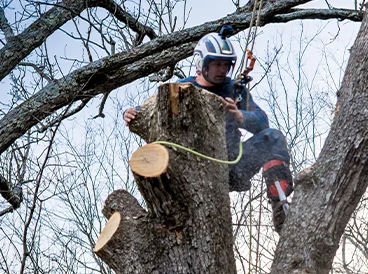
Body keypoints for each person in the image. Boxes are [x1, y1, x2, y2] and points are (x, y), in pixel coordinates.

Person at [123, 30, 293, 234]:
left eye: (226, 64)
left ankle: (280, 208)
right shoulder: (182, 88)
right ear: (202, 63)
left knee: (272, 138)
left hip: (233, 166)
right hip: (197, 169)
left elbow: (262, 121)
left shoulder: (234, 90)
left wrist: (240, 116)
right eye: (217, 64)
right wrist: (131, 113)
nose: (222, 70)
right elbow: (149, 110)